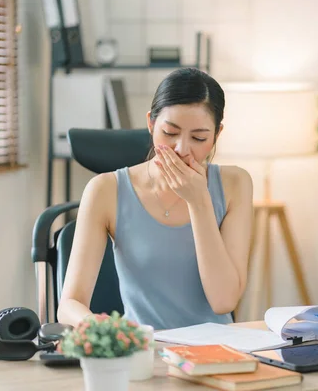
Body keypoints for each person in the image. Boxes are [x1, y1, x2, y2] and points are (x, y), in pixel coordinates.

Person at [57, 68, 254, 330]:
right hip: (141, 350)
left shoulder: (235, 184)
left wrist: (199, 202)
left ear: (216, 135)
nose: (182, 149)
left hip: (213, 352)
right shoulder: (104, 190)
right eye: (170, 133)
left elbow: (223, 302)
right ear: (151, 123)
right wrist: (105, 330)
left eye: (199, 138)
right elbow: (70, 303)